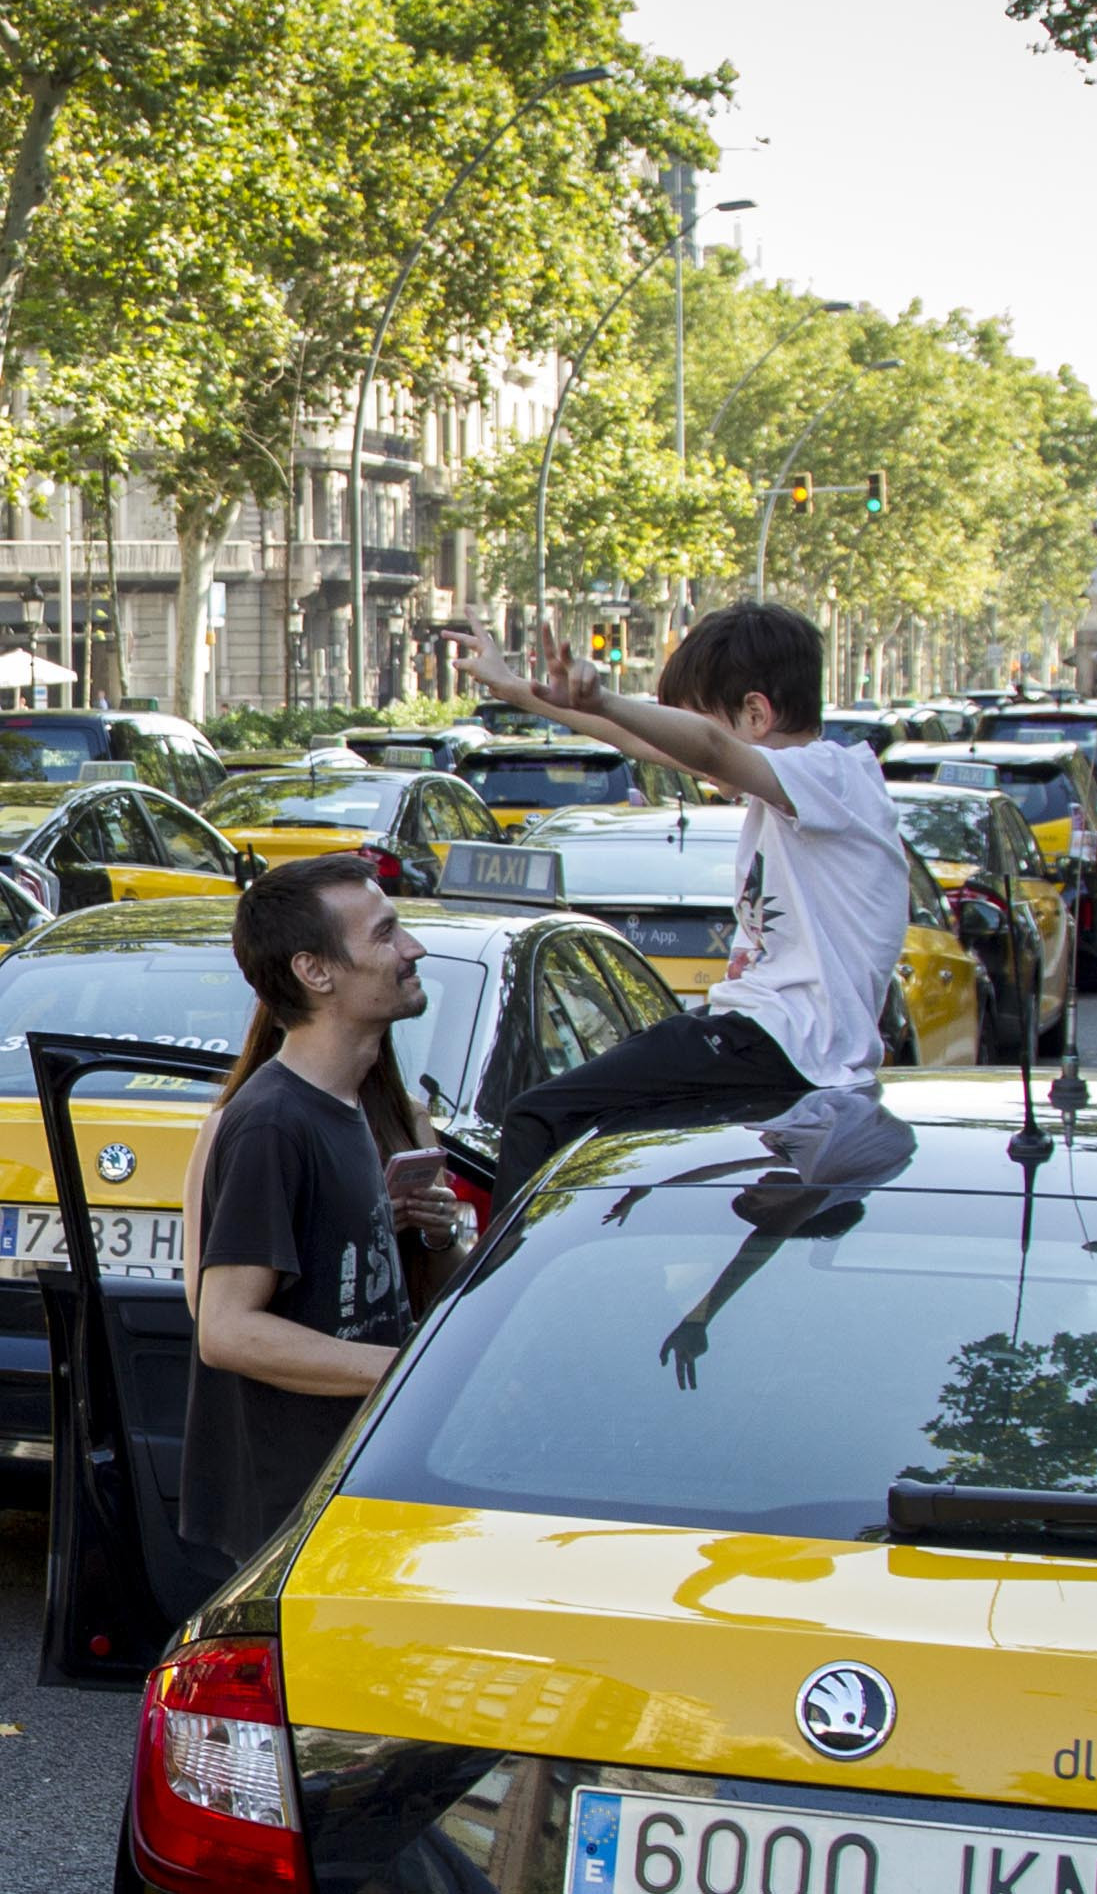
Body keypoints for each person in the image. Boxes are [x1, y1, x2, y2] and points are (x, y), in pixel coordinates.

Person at [454, 600, 908, 1199]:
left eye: (696, 725)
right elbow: (646, 743)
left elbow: (711, 750)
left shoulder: (830, 774)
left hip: (779, 1041)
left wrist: (606, 696)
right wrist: (520, 690)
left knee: (540, 1118)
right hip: (780, 1047)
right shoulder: (804, 790)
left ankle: (503, 1290)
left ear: (755, 713)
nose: (690, 758)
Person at [178, 852, 463, 1566]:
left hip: (366, 1483)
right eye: (385, 934)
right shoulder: (272, 1123)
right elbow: (225, 1330)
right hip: (298, 1513)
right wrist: (411, 1370)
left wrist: (436, 1234)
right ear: (316, 971)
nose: (412, 949)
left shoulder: (376, 1110)